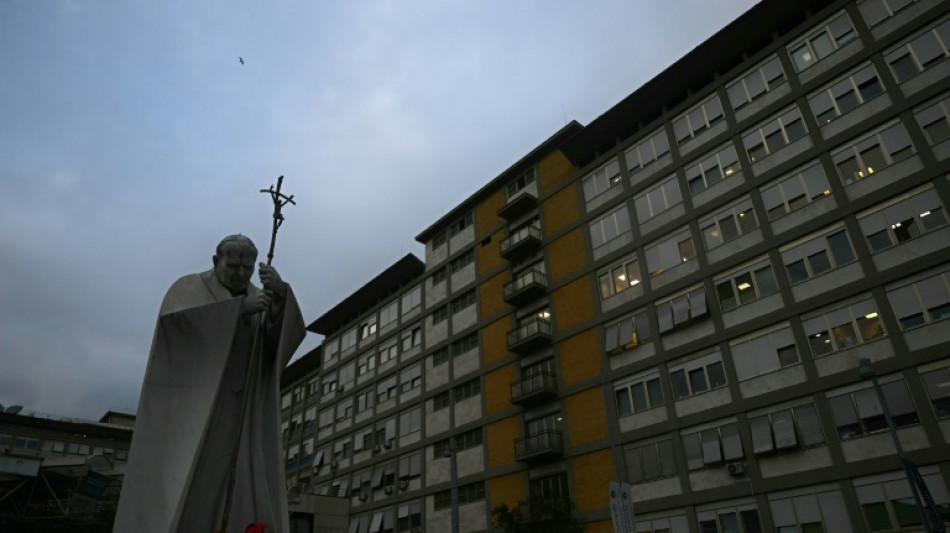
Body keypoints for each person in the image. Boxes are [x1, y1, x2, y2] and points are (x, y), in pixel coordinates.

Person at [113, 235, 305, 533]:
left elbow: (275, 347)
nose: (241, 274)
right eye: (234, 266)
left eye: (248, 267)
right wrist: (238, 309)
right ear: (216, 262)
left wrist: (280, 296)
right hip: (197, 410)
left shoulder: (260, 297)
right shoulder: (189, 289)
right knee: (193, 479)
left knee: (236, 476)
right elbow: (176, 328)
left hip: (241, 409)